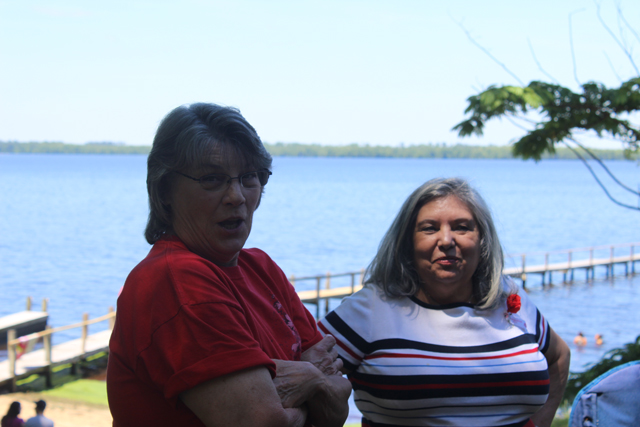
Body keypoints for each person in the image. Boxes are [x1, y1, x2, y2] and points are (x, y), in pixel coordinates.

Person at [107, 103, 351, 427]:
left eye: (249, 177)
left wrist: (307, 385)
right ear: (165, 190)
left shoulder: (261, 268)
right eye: (212, 179)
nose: (236, 196)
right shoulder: (174, 280)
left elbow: (338, 405)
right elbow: (262, 422)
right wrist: (310, 375)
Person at [319, 177, 571, 427]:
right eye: (429, 228)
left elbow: (559, 357)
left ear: (482, 239)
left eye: (462, 227)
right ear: (407, 242)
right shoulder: (371, 308)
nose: (447, 240)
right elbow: (305, 376)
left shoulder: (507, 295)